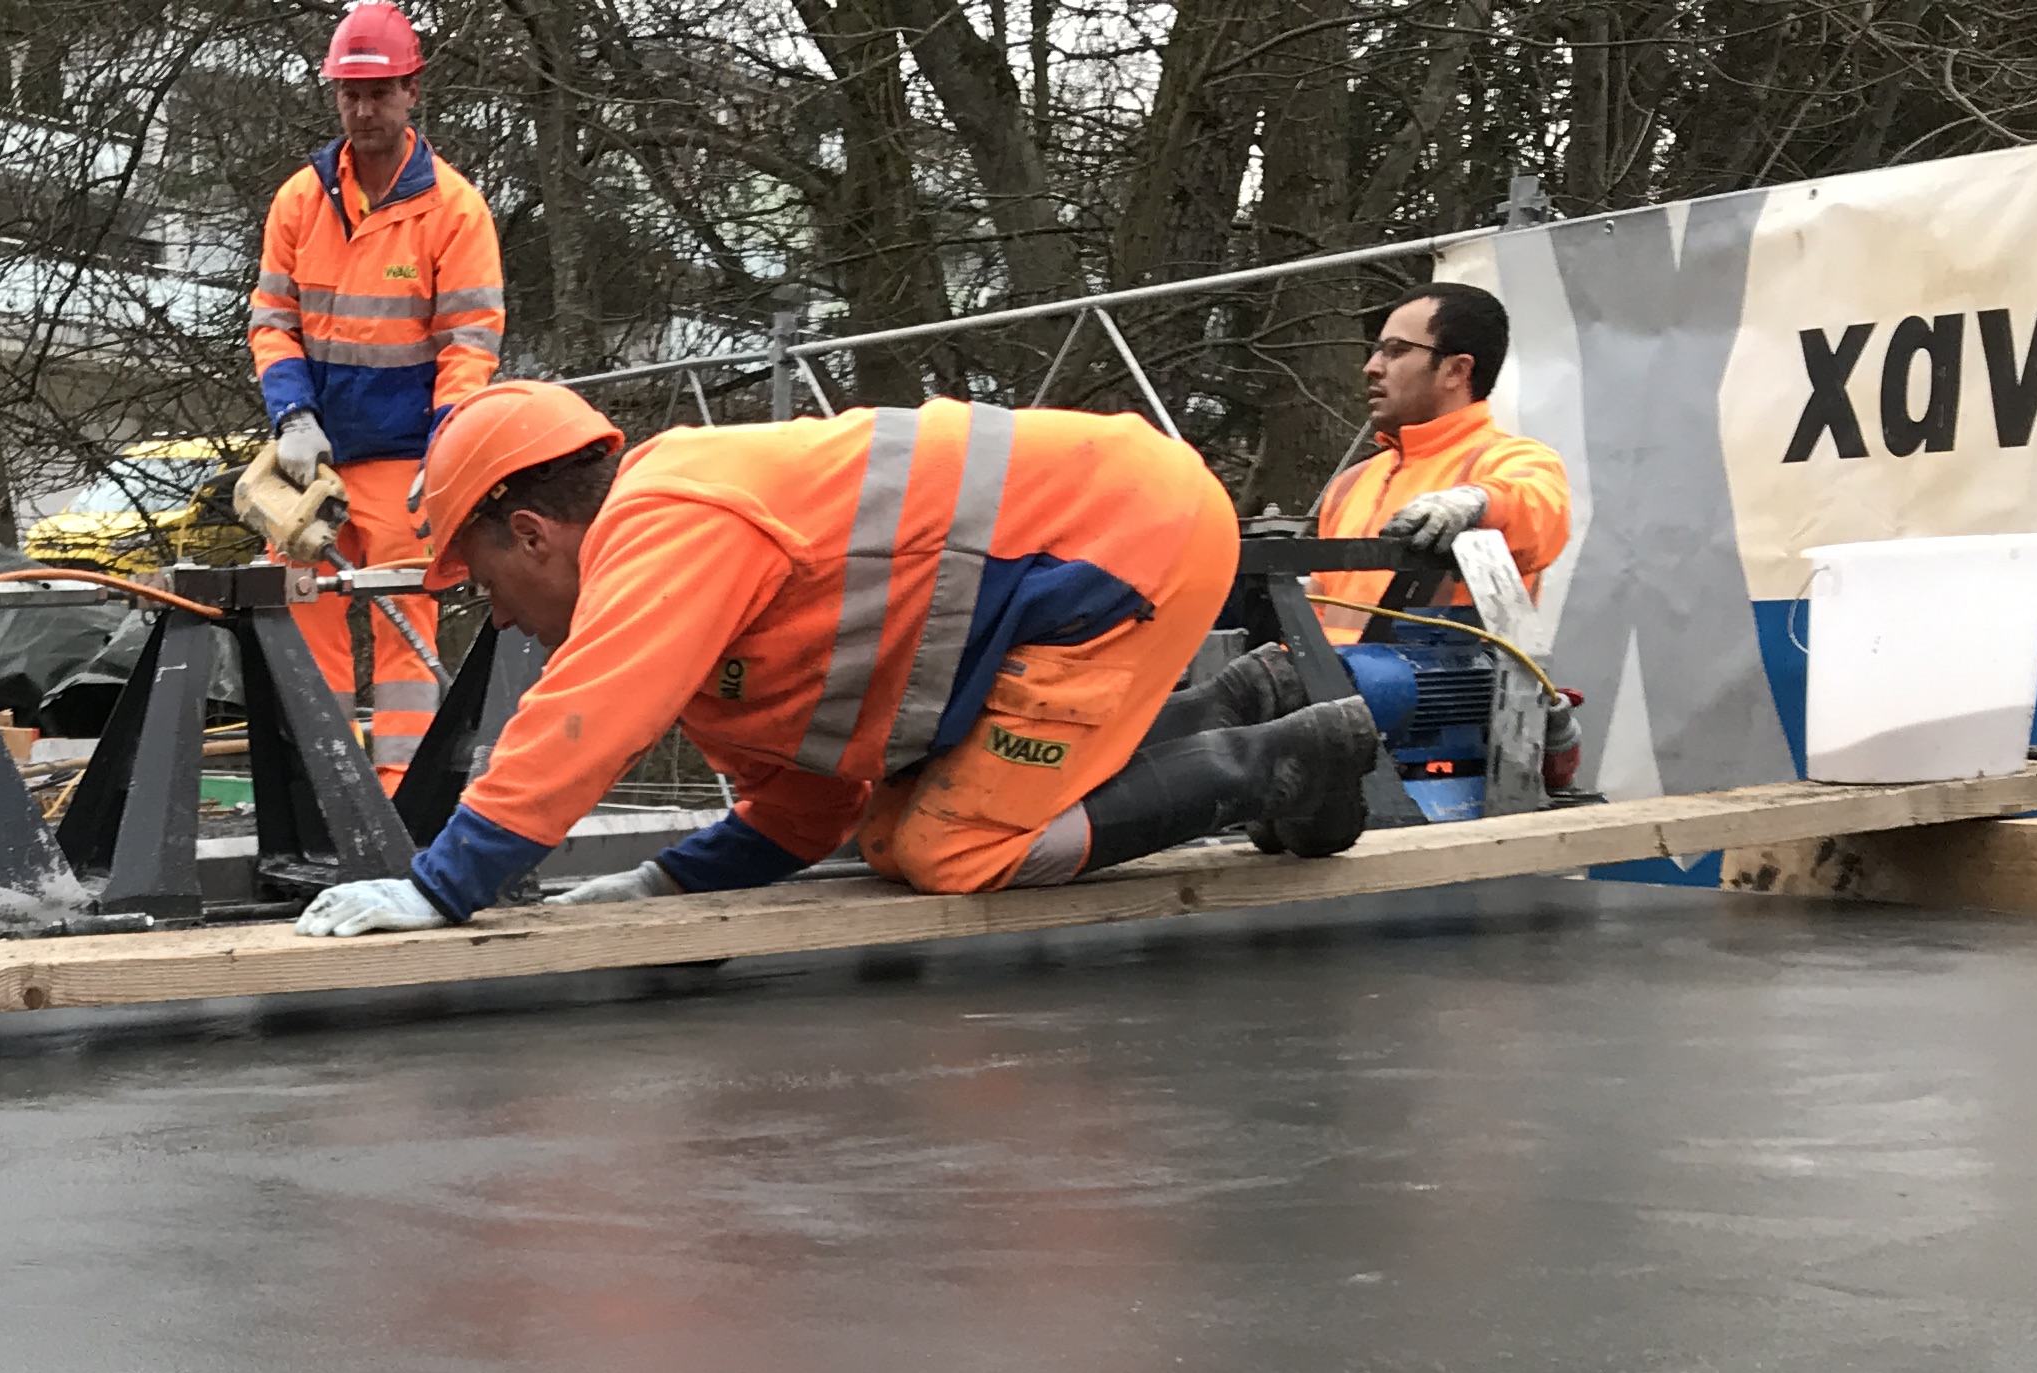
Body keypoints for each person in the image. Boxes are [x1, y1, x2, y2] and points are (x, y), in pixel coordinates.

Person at [295, 382, 1385, 938]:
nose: (500, 619)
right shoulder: (700, 583)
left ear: (533, 533)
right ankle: (1227, 709)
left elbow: (591, 715)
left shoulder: (667, 520)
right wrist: (665, 882)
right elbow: (811, 804)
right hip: (1103, 542)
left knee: (954, 851)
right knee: (890, 830)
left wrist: (443, 887)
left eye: (484, 582)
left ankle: (1279, 764)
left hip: (1122, 543)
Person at [249, 1, 503, 790]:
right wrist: (292, 415)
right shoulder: (300, 201)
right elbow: (272, 323)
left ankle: (403, 793)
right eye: (351, 95)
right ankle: (322, 789)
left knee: (406, 624)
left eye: (379, 93)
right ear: (336, 96)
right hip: (315, 458)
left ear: (411, 91)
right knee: (301, 614)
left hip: (404, 459)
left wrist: (445, 448)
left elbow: (469, 345)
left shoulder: (453, 210)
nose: (364, 110)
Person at [1313, 282, 1571, 637]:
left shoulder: (1506, 460)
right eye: (1377, 351)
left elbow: (1539, 510)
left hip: (1450, 673)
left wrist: (1477, 502)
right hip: (1327, 672)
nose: (1371, 367)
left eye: (1396, 351)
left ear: (1456, 371)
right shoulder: (1350, 484)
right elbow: (1316, 613)